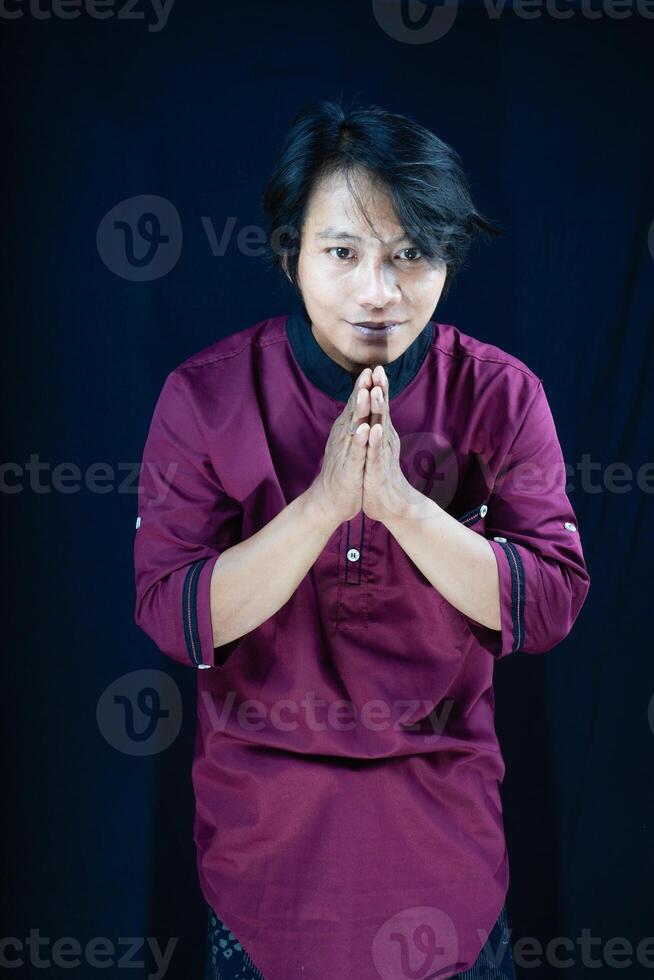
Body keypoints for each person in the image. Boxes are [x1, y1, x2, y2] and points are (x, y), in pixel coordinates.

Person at [134, 99, 590, 980]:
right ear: (290, 254)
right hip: (266, 874)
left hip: (447, 865)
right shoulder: (205, 398)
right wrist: (322, 504)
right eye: (342, 253)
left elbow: (553, 602)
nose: (377, 290)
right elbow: (171, 616)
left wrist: (405, 507)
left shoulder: (501, 395)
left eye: (410, 253)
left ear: (447, 260)